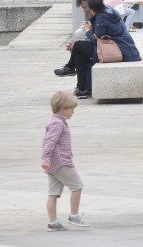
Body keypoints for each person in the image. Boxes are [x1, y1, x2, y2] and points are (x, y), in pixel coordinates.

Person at [53, 0, 140, 99]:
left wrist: (87, 30)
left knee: (77, 45)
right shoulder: (108, 11)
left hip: (119, 51)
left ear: (93, 9)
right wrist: (92, 31)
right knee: (80, 55)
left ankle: (70, 68)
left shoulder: (101, 18)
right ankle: (81, 89)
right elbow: (98, 37)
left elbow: (96, 39)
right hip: (125, 49)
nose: (86, 11)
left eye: (87, 9)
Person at [41, 91, 89, 231]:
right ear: (63, 109)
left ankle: (53, 223)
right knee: (77, 186)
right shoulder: (58, 124)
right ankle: (74, 216)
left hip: (53, 164)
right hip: (61, 163)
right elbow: (49, 142)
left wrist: (47, 160)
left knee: (53, 193)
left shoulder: (57, 122)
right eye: (71, 109)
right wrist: (45, 158)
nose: (73, 112)